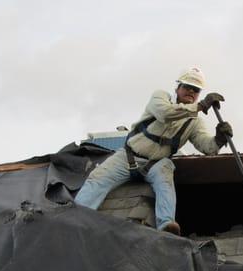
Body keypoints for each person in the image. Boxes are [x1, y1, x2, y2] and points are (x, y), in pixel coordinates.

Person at [75, 67, 232, 235]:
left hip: (155, 165)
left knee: (166, 174)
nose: (191, 92)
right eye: (187, 86)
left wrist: (219, 139)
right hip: (128, 157)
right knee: (97, 179)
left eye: (196, 90)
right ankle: (75, 218)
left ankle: (166, 225)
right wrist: (200, 106)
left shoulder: (194, 122)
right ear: (178, 87)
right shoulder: (160, 97)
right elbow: (165, 114)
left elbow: (207, 147)